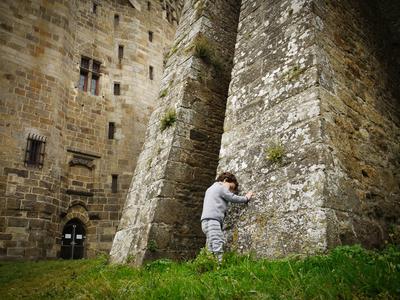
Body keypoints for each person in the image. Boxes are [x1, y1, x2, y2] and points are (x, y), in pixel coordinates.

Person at [200, 172, 253, 262]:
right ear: (225, 180)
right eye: (231, 187)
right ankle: (219, 264)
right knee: (217, 241)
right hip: (213, 220)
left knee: (210, 244)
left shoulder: (210, 189)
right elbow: (232, 197)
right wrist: (246, 198)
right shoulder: (221, 187)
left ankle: (209, 263)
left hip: (204, 222)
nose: (230, 191)